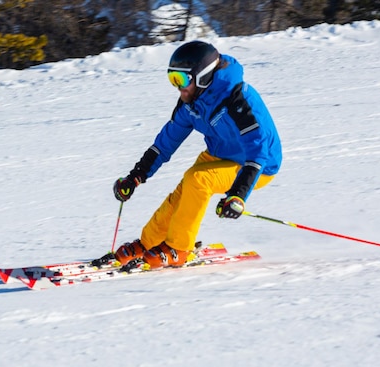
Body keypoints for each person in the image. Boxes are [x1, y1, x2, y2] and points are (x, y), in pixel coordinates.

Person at [113, 40, 282, 269]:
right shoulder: (191, 103)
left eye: (181, 80)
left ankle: (179, 248)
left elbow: (258, 150)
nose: (177, 87)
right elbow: (165, 143)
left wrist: (238, 195)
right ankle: (148, 243)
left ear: (202, 77)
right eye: (172, 79)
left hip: (258, 166)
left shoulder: (237, 100)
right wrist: (136, 176)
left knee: (198, 179)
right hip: (220, 154)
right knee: (187, 188)